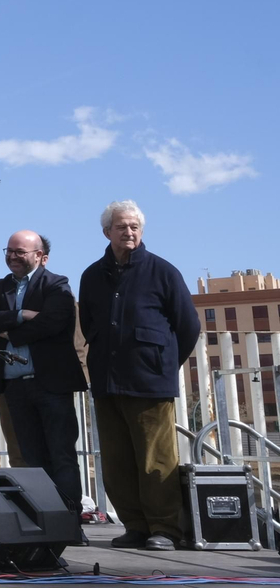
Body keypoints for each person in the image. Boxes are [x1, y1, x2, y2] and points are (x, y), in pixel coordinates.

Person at [78, 200, 200, 552]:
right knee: (117, 460)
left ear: (141, 231)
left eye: (134, 227)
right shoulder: (91, 275)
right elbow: (88, 323)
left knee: (156, 460)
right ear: (107, 232)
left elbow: (188, 326)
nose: (128, 232)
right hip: (107, 380)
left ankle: (165, 528)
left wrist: (162, 363)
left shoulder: (163, 271)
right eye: (121, 227)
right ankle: (134, 525)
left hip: (149, 382)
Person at [0, 230, 88, 544]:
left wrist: (8, 330)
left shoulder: (56, 284)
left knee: (62, 456)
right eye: (9, 250)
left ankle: (69, 523)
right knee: (32, 460)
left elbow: (53, 323)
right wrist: (21, 315)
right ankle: (42, 524)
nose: (12, 256)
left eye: (20, 251)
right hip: (15, 387)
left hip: (51, 384)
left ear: (41, 256)